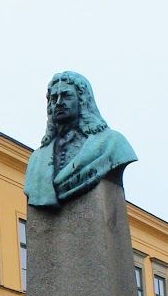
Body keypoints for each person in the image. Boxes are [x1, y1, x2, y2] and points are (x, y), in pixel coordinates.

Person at [22, 72, 138, 208]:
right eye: (54, 99)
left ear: (82, 99)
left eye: (66, 96)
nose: (59, 103)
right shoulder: (37, 159)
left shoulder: (111, 143)